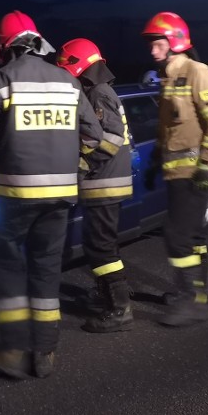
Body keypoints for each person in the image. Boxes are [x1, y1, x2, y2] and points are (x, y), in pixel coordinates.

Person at [0, 11, 102, 379]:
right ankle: (45, 352)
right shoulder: (68, 81)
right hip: (61, 196)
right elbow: (93, 137)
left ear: (3, 44)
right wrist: (69, 159)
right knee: (46, 271)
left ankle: (12, 350)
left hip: (14, 196)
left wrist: (2, 152)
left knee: (7, 269)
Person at [142, 12, 208, 327]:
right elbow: (166, 131)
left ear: (175, 41)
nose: (152, 50)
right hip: (176, 173)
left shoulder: (197, 72)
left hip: (195, 172)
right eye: (151, 44)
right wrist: (153, 162)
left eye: (158, 43)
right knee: (191, 237)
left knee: (177, 235)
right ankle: (189, 293)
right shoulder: (168, 79)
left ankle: (193, 300)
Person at [56, 38, 134, 333]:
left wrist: (82, 166)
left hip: (104, 181)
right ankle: (108, 295)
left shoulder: (99, 93)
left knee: (100, 247)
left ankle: (119, 309)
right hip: (107, 181)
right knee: (102, 244)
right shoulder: (101, 91)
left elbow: (110, 139)